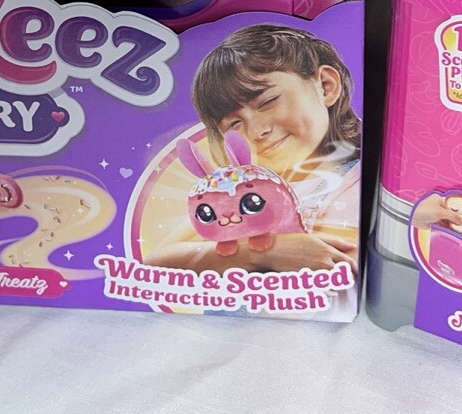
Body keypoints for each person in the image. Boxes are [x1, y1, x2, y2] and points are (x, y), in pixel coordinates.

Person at [147, 25, 360, 274]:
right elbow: (155, 261)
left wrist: (230, 255)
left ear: (325, 85)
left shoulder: (357, 182)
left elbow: (347, 266)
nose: (257, 131)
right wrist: (262, 253)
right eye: (234, 123)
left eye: (268, 102)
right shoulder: (243, 188)